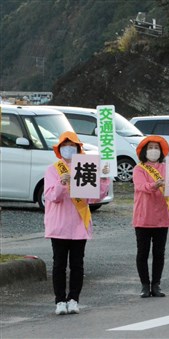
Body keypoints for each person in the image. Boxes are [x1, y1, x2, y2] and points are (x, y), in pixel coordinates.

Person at [44, 131, 110, 315]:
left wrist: (104, 179)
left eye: (72, 145)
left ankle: (74, 299)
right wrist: (61, 183)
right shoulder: (53, 169)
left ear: (78, 148)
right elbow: (50, 196)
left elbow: (95, 198)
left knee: (77, 264)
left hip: (79, 224)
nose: (68, 149)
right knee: (58, 264)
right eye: (65, 145)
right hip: (59, 225)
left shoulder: (86, 167)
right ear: (59, 149)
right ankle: (59, 301)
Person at [132, 136, 169, 298]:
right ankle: (144, 285)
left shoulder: (166, 167)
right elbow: (140, 186)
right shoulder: (139, 169)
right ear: (144, 151)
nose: (154, 150)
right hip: (143, 217)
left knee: (159, 253)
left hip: (161, 216)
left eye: (157, 147)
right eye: (151, 147)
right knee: (142, 253)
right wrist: (154, 185)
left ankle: (156, 284)